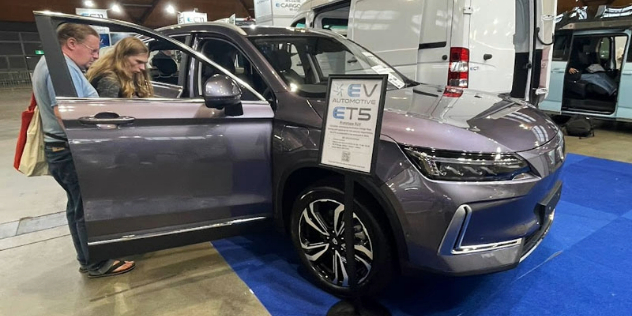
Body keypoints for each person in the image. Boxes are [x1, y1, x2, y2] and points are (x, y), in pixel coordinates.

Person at [31, 23, 135, 278]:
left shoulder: (55, 65)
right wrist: (90, 147)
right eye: (92, 49)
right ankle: (97, 263)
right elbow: (63, 112)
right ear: (71, 44)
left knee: (78, 207)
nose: (96, 56)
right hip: (69, 150)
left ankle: (87, 258)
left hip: (62, 149)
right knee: (86, 210)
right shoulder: (60, 69)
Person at [87, 37, 154, 98]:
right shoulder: (110, 81)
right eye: (138, 62)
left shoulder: (130, 77)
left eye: (144, 63)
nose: (143, 68)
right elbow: (108, 109)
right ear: (123, 57)